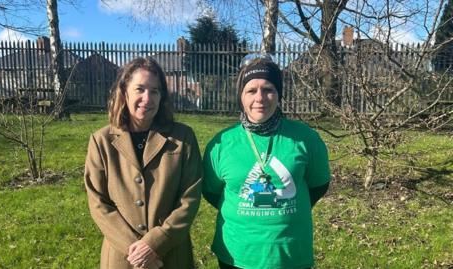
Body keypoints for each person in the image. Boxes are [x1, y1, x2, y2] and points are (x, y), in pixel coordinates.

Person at [202, 54, 330, 269]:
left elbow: (319, 186)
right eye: (251, 90)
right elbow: (212, 192)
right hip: (236, 255)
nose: (259, 98)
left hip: (289, 255)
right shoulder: (221, 144)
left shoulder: (306, 139)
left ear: (278, 94)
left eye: (268, 89)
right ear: (241, 96)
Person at [84, 57, 202, 269]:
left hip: (171, 254)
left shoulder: (183, 137)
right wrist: (136, 249)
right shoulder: (101, 141)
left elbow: (190, 198)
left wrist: (155, 243)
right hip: (122, 257)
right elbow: (98, 202)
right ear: (124, 91)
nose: (147, 98)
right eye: (140, 89)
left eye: (155, 91)